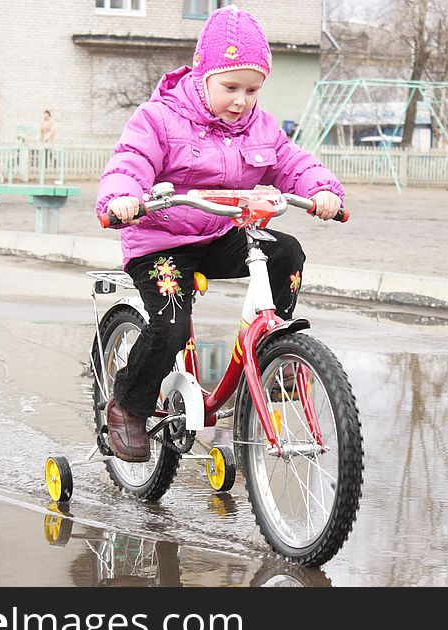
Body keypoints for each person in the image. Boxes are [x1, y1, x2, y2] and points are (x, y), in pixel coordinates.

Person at [95, 6, 345, 462]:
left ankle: (276, 349)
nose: (241, 100)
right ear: (203, 75)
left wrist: (322, 190)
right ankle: (127, 405)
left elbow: (292, 163)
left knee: (285, 250)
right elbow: (129, 161)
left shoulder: (260, 128)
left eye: (252, 89)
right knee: (170, 324)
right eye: (230, 87)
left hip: (215, 234)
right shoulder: (160, 118)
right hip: (160, 242)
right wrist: (123, 198)